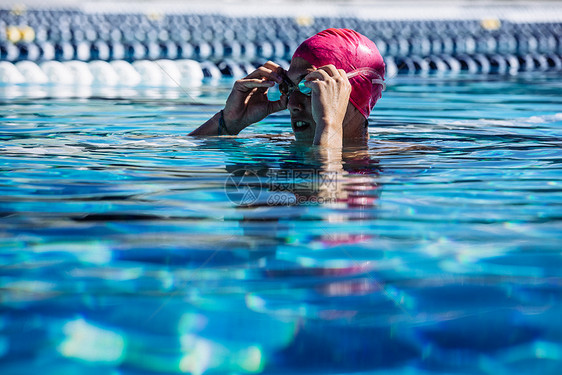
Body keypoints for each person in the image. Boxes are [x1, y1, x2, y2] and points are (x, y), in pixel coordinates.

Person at [189, 28, 385, 148]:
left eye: (309, 85)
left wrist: (329, 125)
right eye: (289, 88)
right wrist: (229, 123)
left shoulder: (393, 161)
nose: (292, 104)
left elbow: (325, 207)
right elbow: (183, 152)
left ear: (350, 94)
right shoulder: (276, 145)